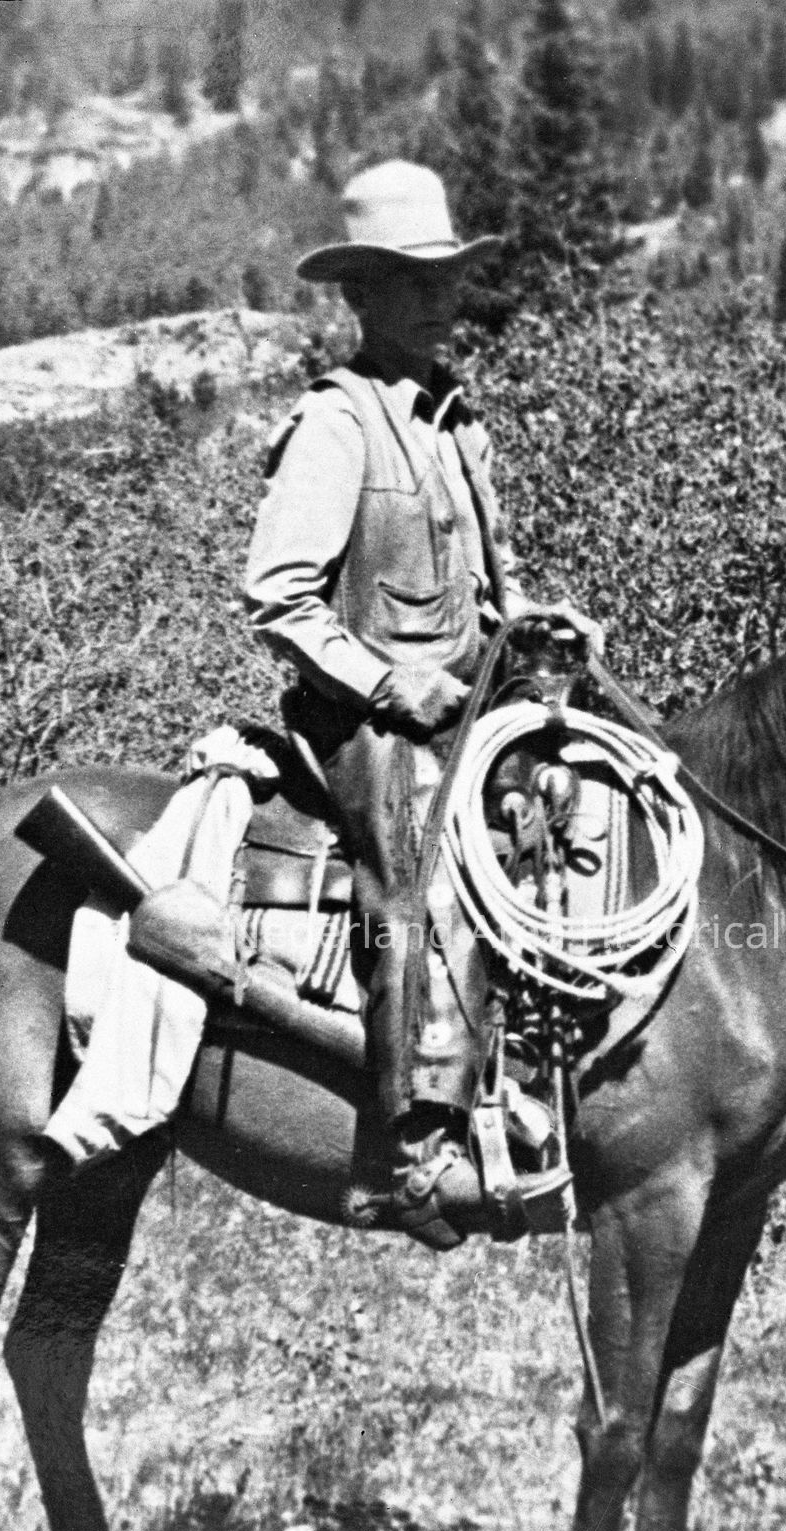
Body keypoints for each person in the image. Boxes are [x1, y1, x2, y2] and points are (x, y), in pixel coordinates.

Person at [244, 161, 584, 1248]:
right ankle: (415, 1150)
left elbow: (487, 585)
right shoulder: (337, 424)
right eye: (411, 281)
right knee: (424, 880)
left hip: (467, 698)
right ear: (360, 295)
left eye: (447, 277)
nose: (441, 300)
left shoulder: (455, 423)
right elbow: (278, 601)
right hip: (368, 718)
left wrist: (532, 621)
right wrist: (395, 683)